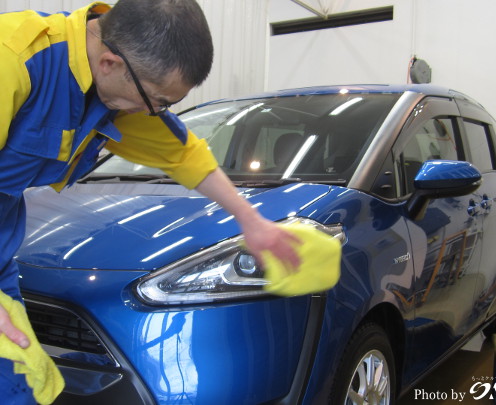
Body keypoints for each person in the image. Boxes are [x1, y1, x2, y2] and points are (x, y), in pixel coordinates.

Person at [0, 0, 300, 403]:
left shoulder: (117, 87)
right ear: (110, 63)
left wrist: (253, 221)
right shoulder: (14, 60)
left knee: (23, 378)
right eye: (157, 100)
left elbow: (183, 154)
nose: (155, 113)